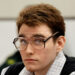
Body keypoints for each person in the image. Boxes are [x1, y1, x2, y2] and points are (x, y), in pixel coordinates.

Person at [1, 3, 75, 75]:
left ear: (59, 43)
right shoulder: (8, 72)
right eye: (23, 41)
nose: (28, 51)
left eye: (38, 41)